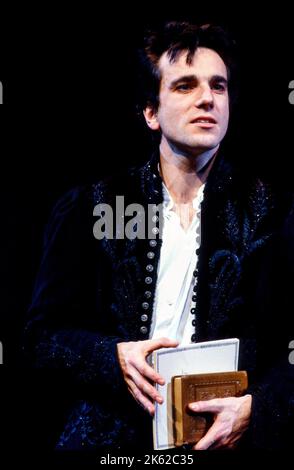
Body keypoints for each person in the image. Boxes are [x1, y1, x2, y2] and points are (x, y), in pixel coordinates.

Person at [24, 21, 293, 452]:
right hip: (111, 441)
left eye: (218, 87)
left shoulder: (273, 212)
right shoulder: (95, 206)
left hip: (223, 444)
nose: (207, 98)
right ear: (151, 112)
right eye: (185, 86)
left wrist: (259, 409)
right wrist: (112, 358)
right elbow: (40, 338)